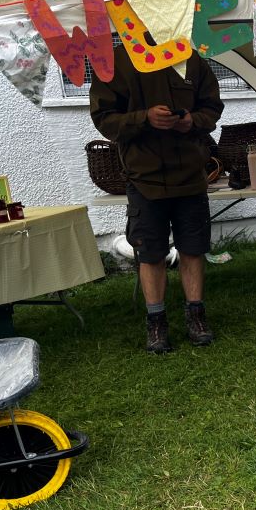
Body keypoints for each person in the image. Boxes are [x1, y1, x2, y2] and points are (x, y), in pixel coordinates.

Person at [90, 45, 224, 353]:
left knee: (193, 248)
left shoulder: (189, 57)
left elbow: (213, 107)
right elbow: (104, 119)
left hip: (190, 176)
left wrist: (194, 120)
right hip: (144, 178)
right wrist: (144, 118)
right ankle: (156, 321)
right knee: (150, 253)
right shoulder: (115, 61)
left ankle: (196, 315)